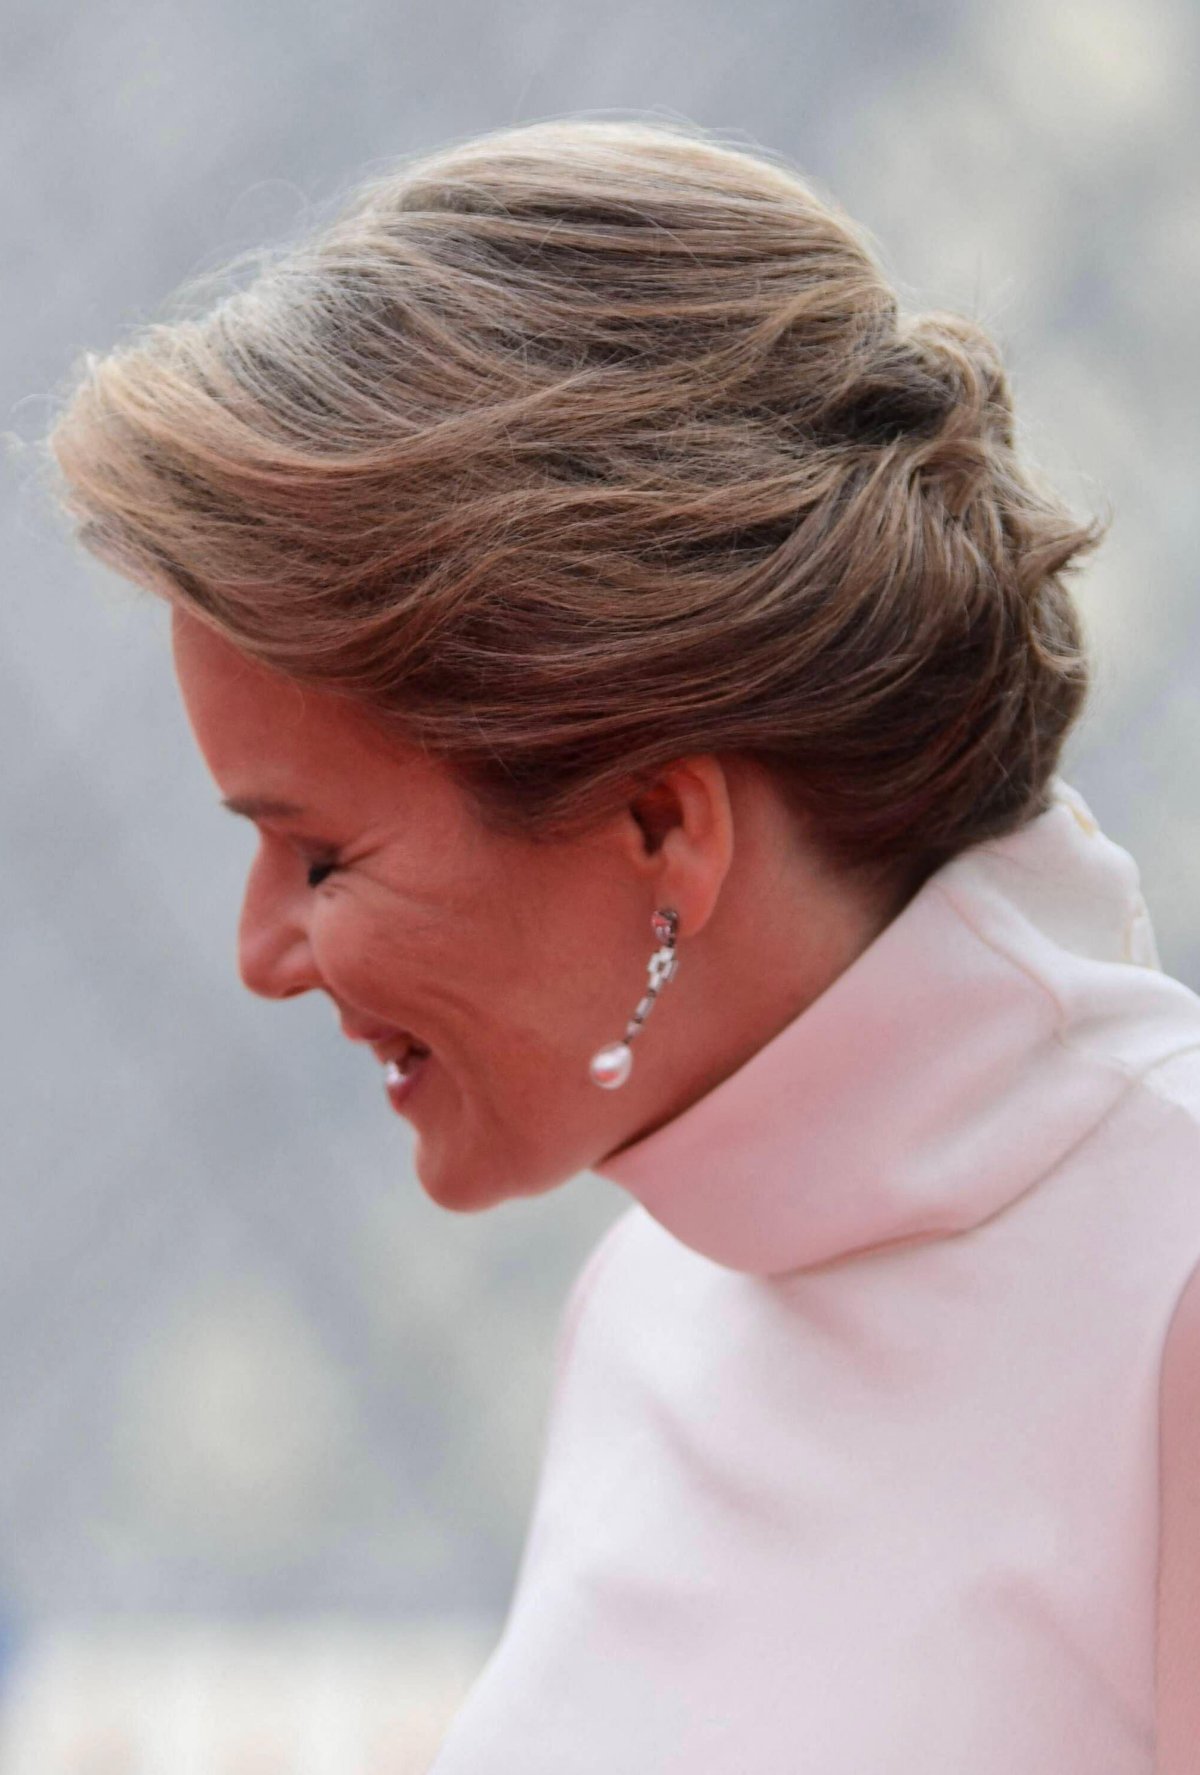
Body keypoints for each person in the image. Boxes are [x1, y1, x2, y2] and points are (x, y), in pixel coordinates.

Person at [47, 118, 1200, 1772]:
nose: (261, 953)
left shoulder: (1172, 1288)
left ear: (667, 826)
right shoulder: (651, 1296)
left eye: (317, 852)